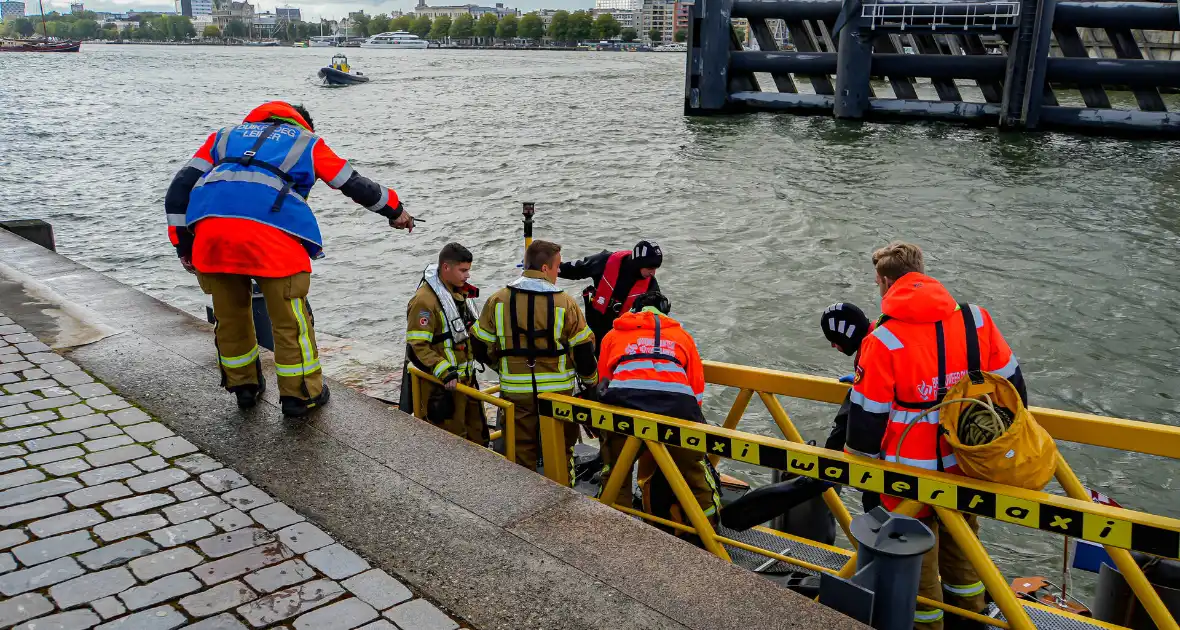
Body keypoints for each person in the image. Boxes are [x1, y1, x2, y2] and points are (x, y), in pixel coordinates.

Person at [164, 101, 415, 417]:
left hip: (212, 233)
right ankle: (301, 396)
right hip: (272, 236)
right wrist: (396, 211)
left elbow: (178, 191)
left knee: (230, 316)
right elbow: (351, 182)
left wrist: (184, 246)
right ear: (303, 125)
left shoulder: (224, 137)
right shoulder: (305, 142)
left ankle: (243, 388)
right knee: (290, 319)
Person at [845, 242, 1027, 630]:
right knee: (964, 553)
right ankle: (972, 619)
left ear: (886, 282)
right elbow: (1014, 388)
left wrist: (857, 462)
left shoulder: (883, 339)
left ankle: (927, 625)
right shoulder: (975, 319)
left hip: (908, 479)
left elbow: (866, 420)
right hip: (968, 464)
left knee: (918, 567)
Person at [596, 291, 721, 538]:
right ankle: (708, 533)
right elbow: (696, 386)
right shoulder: (682, 336)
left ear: (634, 310)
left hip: (625, 404)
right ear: (665, 310)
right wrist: (693, 422)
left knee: (616, 471)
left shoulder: (614, 334)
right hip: (676, 407)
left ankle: (616, 529)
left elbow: (603, 380)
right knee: (695, 472)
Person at [471, 240, 599, 479]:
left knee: (519, 453)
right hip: (557, 394)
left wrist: (501, 366)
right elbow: (583, 351)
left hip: (515, 391)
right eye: (557, 267)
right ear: (544, 268)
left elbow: (478, 343)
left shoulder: (498, 300)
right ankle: (562, 500)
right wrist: (591, 383)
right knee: (562, 451)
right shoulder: (566, 304)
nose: (559, 272)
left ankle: (524, 501)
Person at [403, 243, 485, 444]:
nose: (467, 276)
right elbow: (418, 345)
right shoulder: (424, 301)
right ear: (446, 268)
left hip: (466, 382)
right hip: (443, 387)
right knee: (452, 441)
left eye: (468, 270)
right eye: (463, 270)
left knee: (478, 437)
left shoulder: (458, 294)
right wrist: (444, 371)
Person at [558, 240, 663, 352]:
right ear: (638, 263)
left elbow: (656, 318)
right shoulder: (605, 261)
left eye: (655, 269)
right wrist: (551, 269)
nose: (653, 273)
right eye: (650, 269)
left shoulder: (651, 285)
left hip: (621, 337)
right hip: (594, 327)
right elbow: (577, 269)